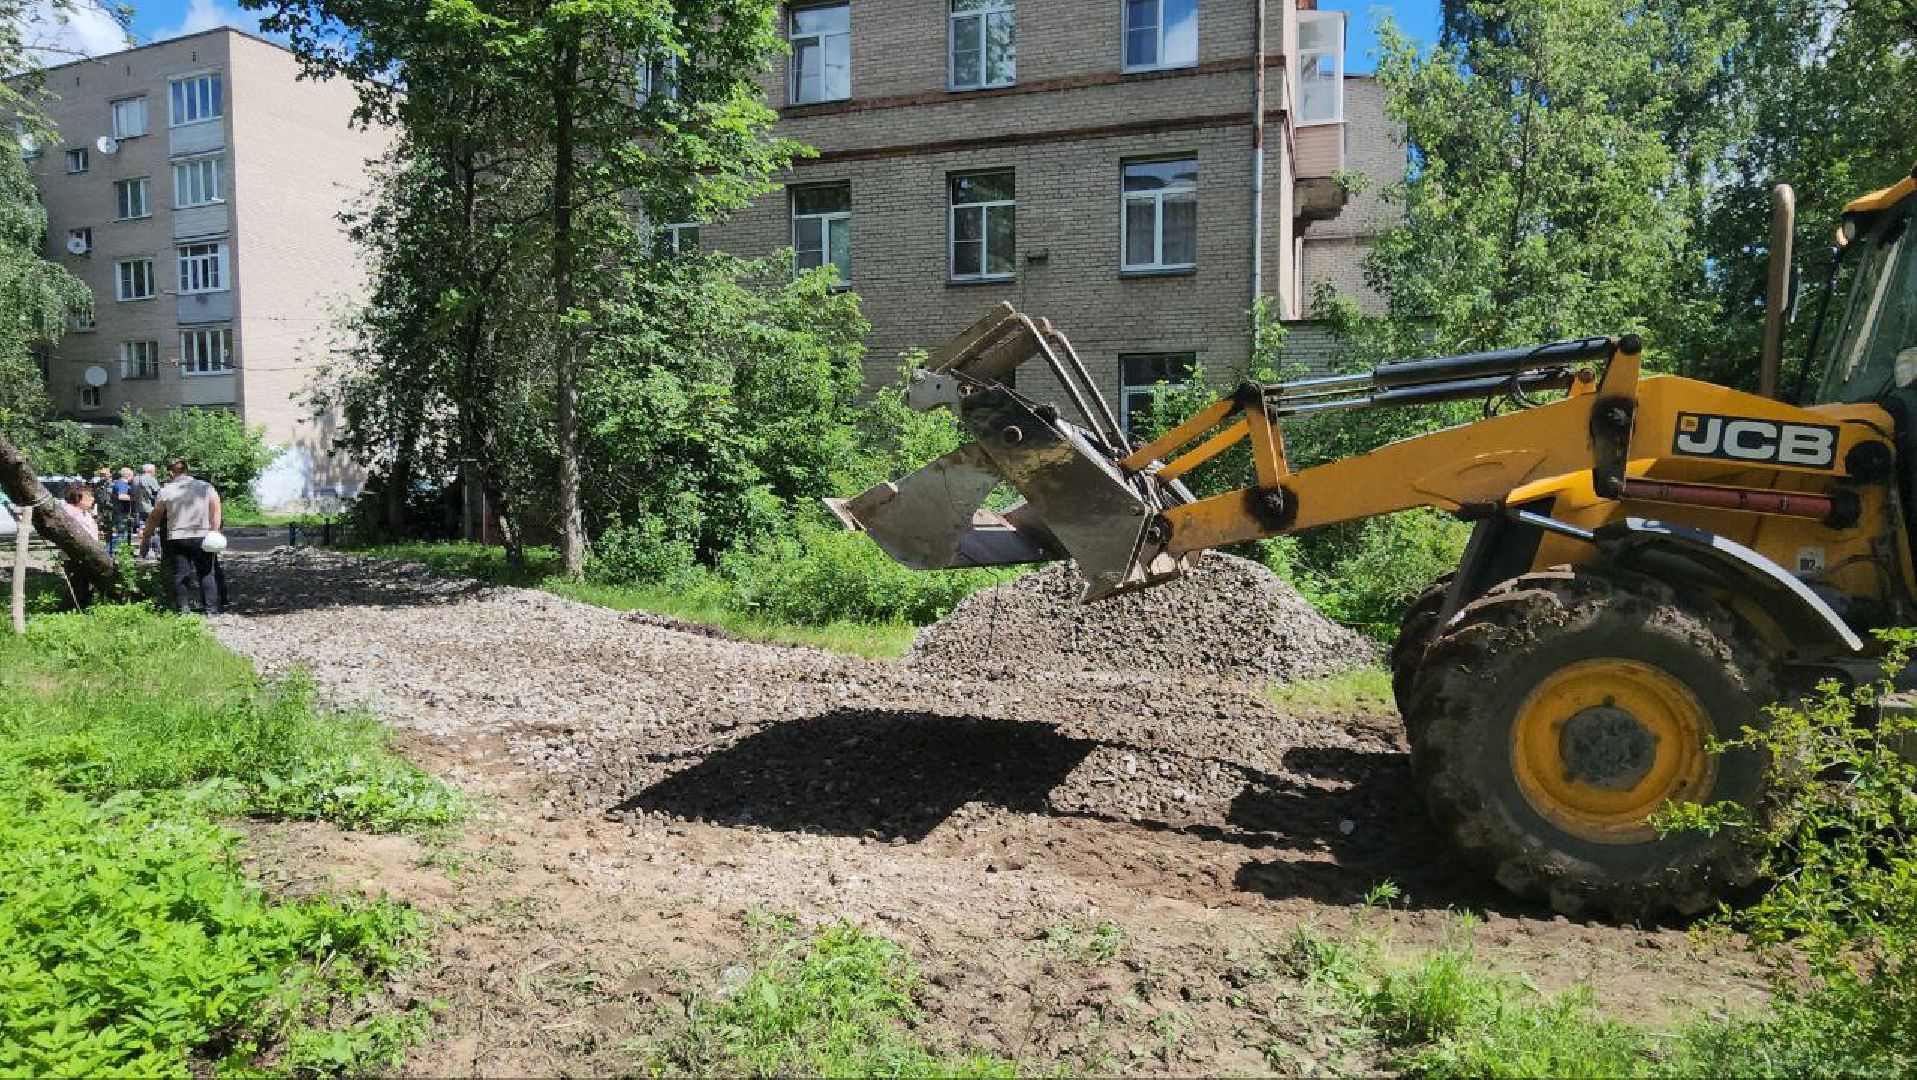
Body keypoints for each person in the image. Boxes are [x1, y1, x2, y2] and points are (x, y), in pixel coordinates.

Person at [139, 458, 224, 615]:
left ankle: (183, 609)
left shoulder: (166, 490)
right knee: (206, 572)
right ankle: (211, 609)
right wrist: (214, 530)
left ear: (171, 473)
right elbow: (216, 509)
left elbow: (155, 516)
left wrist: (146, 537)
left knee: (181, 574)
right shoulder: (206, 487)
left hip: (177, 537)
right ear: (187, 470)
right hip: (202, 535)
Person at [57, 486, 100, 609]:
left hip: (88, 553)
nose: (92, 499)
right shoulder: (70, 513)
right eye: (89, 497)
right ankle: (74, 607)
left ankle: (83, 606)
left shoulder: (85, 513)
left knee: (85, 582)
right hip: (76, 554)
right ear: (78, 498)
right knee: (78, 582)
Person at [133, 464, 162, 558]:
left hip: (138, 508)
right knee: (154, 530)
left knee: (142, 530)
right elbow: (158, 493)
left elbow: (132, 494)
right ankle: (157, 552)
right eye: (154, 471)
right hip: (150, 509)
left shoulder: (135, 479)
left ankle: (143, 552)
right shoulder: (151, 479)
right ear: (151, 471)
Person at [109, 467, 135, 552]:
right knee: (120, 533)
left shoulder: (120, 483)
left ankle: (117, 552)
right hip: (121, 512)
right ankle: (111, 552)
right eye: (132, 475)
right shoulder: (122, 484)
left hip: (120, 512)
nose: (133, 477)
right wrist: (135, 498)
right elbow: (121, 496)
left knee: (122, 533)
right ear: (127, 475)